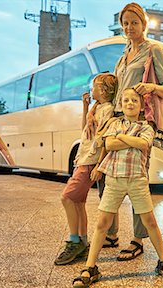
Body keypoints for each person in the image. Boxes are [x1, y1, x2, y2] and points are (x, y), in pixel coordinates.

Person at [86, 2, 163, 261]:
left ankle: (137, 240)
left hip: (140, 123)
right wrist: (95, 108)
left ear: (143, 24)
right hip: (115, 120)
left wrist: (150, 86)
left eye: (134, 22)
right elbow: (113, 93)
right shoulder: (122, 57)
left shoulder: (153, 50)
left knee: (137, 180)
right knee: (108, 176)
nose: (129, 27)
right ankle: (111, 234)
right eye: (125, 23)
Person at [72, 88, 163, 287]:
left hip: (137, 180)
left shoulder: (147, 127)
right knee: (102, 223)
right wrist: (130, 141)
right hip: (114, 179)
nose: (130, 103)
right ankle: (90, 267)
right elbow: (109, 145)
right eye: (126, 100)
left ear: (141, 106)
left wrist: (121, 138)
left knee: (150, 221)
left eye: (134, 101)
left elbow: (144, 145)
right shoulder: (114, 123)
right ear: (121, 104)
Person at [54, 73, 117, 266]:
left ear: (104, 91)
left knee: (67, 197)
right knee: (78, 202)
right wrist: (85, 108)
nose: (92, 89)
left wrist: (98, 164)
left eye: (95, 86)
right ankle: (82, 241)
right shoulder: (95, 109)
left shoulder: (107, 110)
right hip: (83, 158)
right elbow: (85, 131)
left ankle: (74, 241)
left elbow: (104, 137)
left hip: (90, 159)